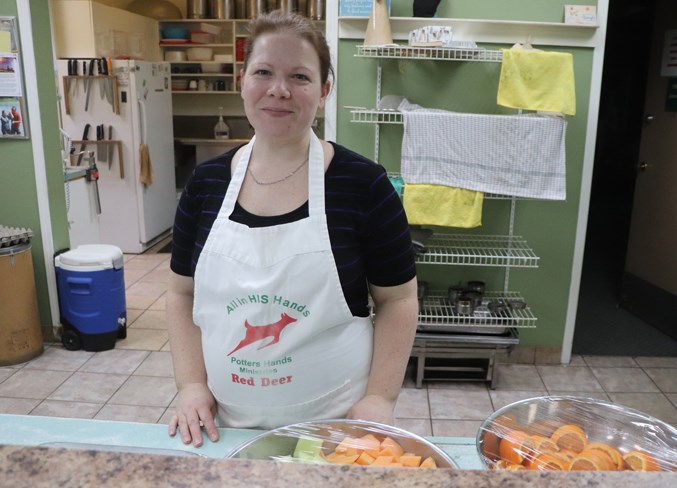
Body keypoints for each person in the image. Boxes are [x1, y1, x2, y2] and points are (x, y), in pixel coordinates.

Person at [167, 10, 418, 448]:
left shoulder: (364, 185)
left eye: (299, 77)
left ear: (323, 92)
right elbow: (180, 293)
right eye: (263, 72)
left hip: (337, 429)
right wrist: (190, 384)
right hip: (224, 429)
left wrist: (379, 397)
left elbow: (398, 299)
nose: (278, 90)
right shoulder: (206, 184)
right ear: (242, 82)